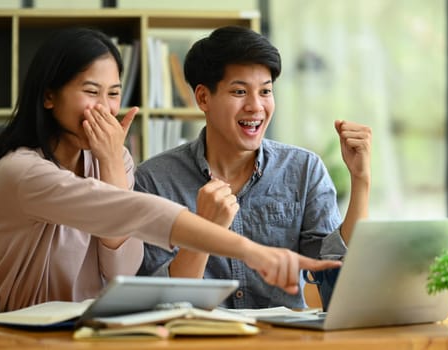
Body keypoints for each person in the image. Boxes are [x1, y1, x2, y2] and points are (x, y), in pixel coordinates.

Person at [0, 27, 341, 314]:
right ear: (49, 96)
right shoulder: (22, 172)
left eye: (114, 94)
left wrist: (110, 164)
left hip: (92, 336)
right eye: (92, 91)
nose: (104, 109)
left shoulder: (113, 162)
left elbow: (121, 272)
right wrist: (249, 249)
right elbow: (137, 212)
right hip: (24, 335)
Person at [135, 25, 372, 310]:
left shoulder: (303, 169)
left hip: (283, 340)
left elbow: (337, 274)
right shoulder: (154, 181)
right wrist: (204, 231)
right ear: (203, 98)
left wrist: (360, 180)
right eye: (239, 91)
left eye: (265, 91)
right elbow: (156, 303)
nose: (256, 106)